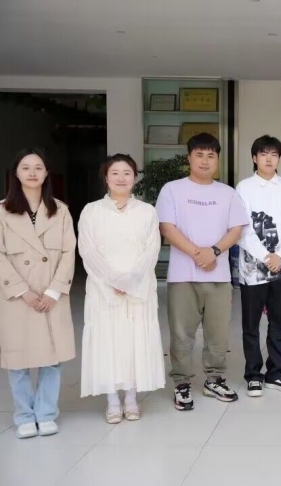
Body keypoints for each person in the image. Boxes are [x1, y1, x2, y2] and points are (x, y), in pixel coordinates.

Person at [156, 133, 249, 411]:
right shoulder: (172, 189)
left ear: (217, 159)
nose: (205, 161)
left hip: (219, 276)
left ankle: (215, 379)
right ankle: (182, 382)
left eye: (211, 155)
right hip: (182, 275)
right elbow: (167, 227)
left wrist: (215, 252)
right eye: (199, 155)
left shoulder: (228, 193)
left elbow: (236, 229)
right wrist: (199, 253)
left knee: (218, 332)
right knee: (181, 333)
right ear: (189, 158)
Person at [78, 154, 165, 423]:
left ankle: (130, 397)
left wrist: (130, 281)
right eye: (114, 173)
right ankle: (112, 400)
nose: (121, 178)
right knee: (108, 341)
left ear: (134, 177)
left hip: (138, 288)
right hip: (104, 289)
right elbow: (87, 250)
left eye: (127, 173)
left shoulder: (147, 211)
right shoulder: (91, 211)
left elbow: (151, 249)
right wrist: (113, 280)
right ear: (106, 177)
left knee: (134, 340)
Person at [0, 148, 76, 439]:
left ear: (46, 174)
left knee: (51, 358)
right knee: (16, 360)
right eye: (25, 167)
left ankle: (46, 414)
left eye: (38, 167)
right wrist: (22, 291)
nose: (32, 172)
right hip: (17, 297)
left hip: (51, 295)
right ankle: (23, 415)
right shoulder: (2, 211)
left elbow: (69, 252)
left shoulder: (60, 210)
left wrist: (54, 291)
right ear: (15, 174)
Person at [236, 135, 281, 397]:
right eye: (263, 154)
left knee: (280, 322)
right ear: (254, 158)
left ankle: (276, 373)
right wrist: (266, 256)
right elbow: (242, 228)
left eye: (274, 154)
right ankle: (253, 375)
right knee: (251, 324)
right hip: (253, 267)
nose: (268, 159)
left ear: (279, 159)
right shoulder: (243, 188)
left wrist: (280, 255)